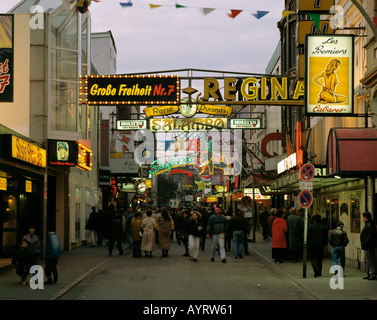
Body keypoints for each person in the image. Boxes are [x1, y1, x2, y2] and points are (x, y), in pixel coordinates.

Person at [360, 212, 377, 280]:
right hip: (367, 245)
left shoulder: (370, 224)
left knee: (370, 260)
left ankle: (372, 274)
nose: (363, 219)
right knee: (367, 259)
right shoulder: (368, 224)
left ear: (366, 217)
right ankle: (369, 273)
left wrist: (365, 242)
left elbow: (370, 236)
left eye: (363, 217)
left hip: (369, 245)